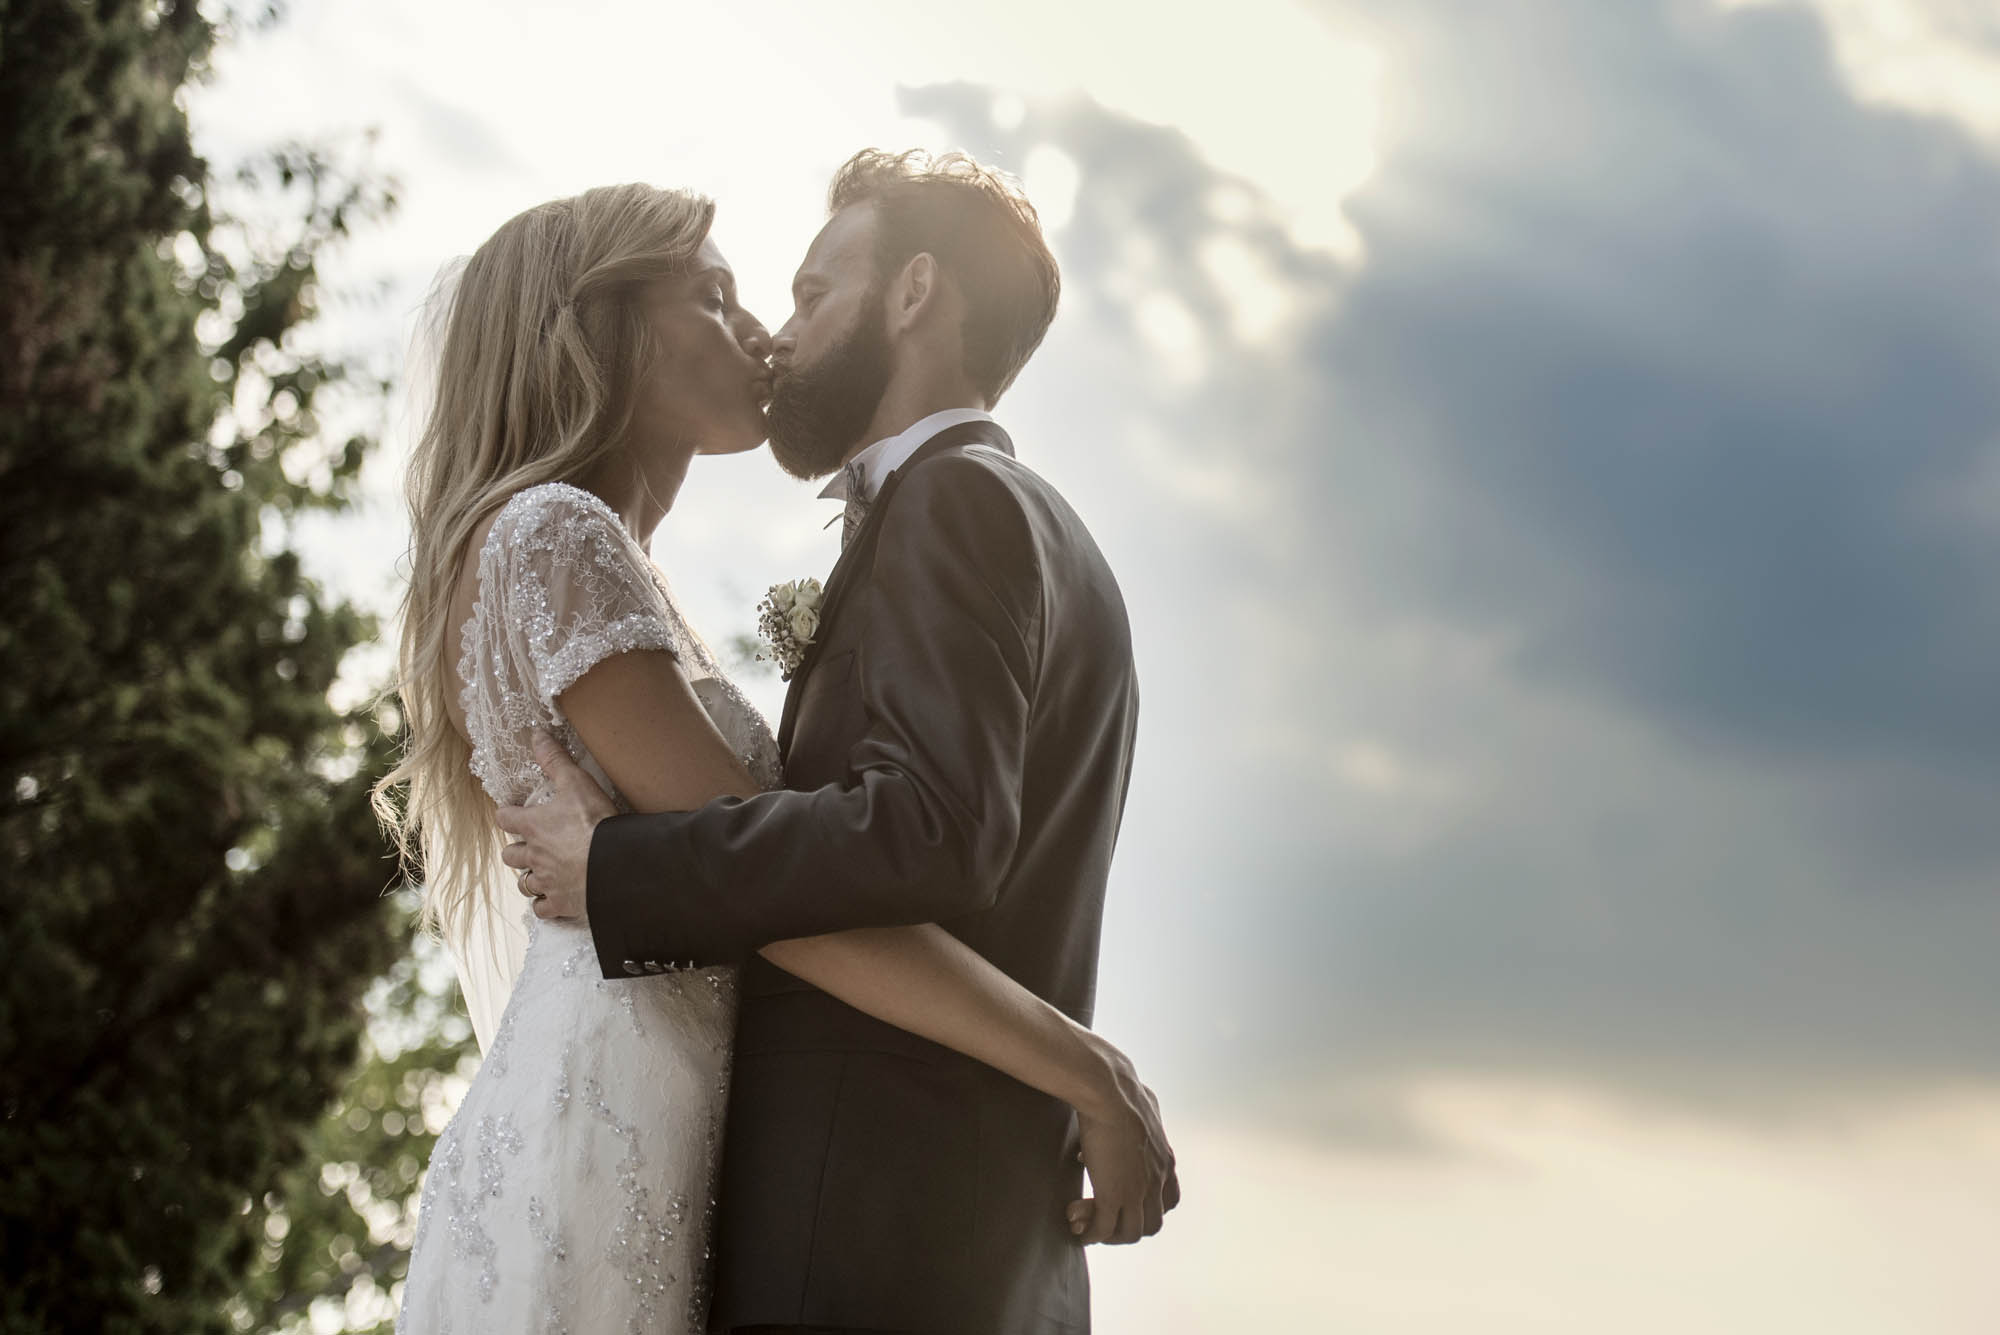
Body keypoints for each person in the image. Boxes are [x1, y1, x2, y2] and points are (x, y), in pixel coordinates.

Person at [377, 175, 1173, 1335]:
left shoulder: (949, 507)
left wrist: (621, 870)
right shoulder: (560, 536)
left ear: (913, 295)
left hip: (839, 1211)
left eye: (801, 292)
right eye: (718, 297)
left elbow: (876, 848)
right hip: (653, 1148)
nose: (764, 331)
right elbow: (811, 875)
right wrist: (1081, 1071)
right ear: (610, 334)